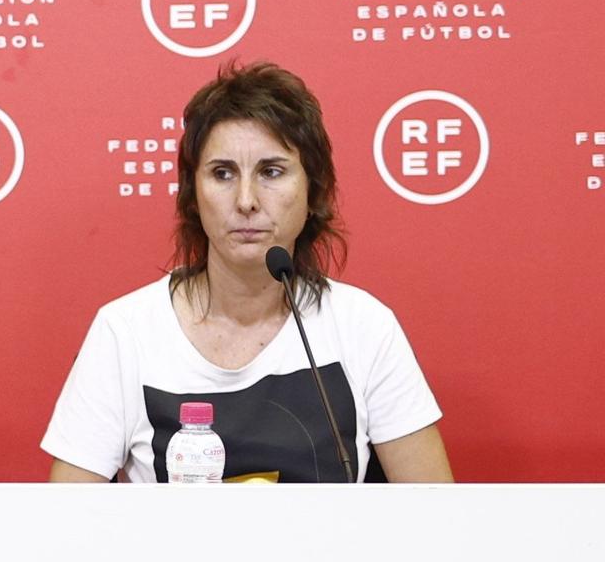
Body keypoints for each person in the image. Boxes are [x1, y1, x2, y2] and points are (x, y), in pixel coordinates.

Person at [42, 62, 452, 483]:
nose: (246, 201)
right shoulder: (125, 331)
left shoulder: (362, 325)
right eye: (222, 174)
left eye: (271, 172)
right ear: (192, 195)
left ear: (314, 190)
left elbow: (435, 515)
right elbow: (67, 522)